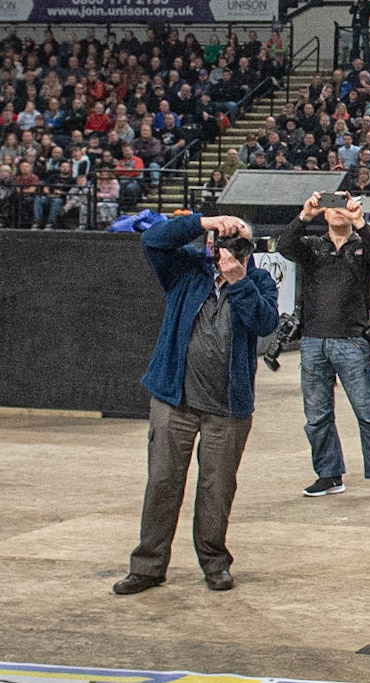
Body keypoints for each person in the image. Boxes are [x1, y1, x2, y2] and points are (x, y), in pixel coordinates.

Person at [113, 213, 277, 595]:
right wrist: (203, 221)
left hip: (228, 407)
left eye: (240, 241)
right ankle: (148, 566)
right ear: (210, 242)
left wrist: (238, 282)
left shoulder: (258, 281)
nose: (231, 247)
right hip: (175, 399)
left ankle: (215, 563)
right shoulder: (185, 271)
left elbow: (265, 323)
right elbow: (153, 240)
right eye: (225, 240)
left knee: (217, 488)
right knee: (163, 482)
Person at [277, 192, 370, 501]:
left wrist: (359, 220)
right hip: (313, 340)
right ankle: (328, 474)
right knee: (317, 415)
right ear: (323, 212)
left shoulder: (362, 246)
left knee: (368, 413)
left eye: (343, 206)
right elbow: (284, 246)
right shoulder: (312, 247)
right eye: (332, 207)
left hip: (352, 339)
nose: (338, 212)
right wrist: (305, 214)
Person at [351, 0, 370, 64]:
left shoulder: (368, 3)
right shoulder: (356, 2)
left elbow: (369, 13)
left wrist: (362, 9)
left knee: (365, 42)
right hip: (356, 23)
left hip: (363, 24)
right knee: (355, 42)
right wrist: (355, 6)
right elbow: (351, 11)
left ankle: (366, 59)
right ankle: (355, 58)